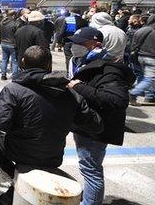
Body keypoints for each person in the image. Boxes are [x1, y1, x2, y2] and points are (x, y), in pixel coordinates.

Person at [0, 45, 102, 205]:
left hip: (18, 151)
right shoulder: (70, 93)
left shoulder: (14, 89)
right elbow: (95, 124)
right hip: (53, 155)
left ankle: (14, 174)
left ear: (22, 62)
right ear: (49, 65)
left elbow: (2, 123)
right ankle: (13, 186)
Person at [67, 27, 134, 205]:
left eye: (80, 43)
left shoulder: (110, 69)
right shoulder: (84, 62)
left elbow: (117, 100)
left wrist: (79, 87)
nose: (75, 46)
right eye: (74, 42)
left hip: (95, 127)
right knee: (88, 167)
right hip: (86, 123)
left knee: (91, 169)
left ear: (96, 45)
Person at [129, 14, 155, 105]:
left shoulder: (141, 30)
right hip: (152, 58)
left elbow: (133, 45)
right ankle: (133, 93)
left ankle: (150, 96)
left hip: (140, 57)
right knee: (150, 78)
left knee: (146, 77)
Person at [0, 10, 19, 80]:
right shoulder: (15, 23)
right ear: (13, 15)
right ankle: (14, 77)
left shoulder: (1, 23)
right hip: (12, 44)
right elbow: (18, 34)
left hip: (3, 43)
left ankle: (3, 75)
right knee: (14, 61)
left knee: (4, 60)